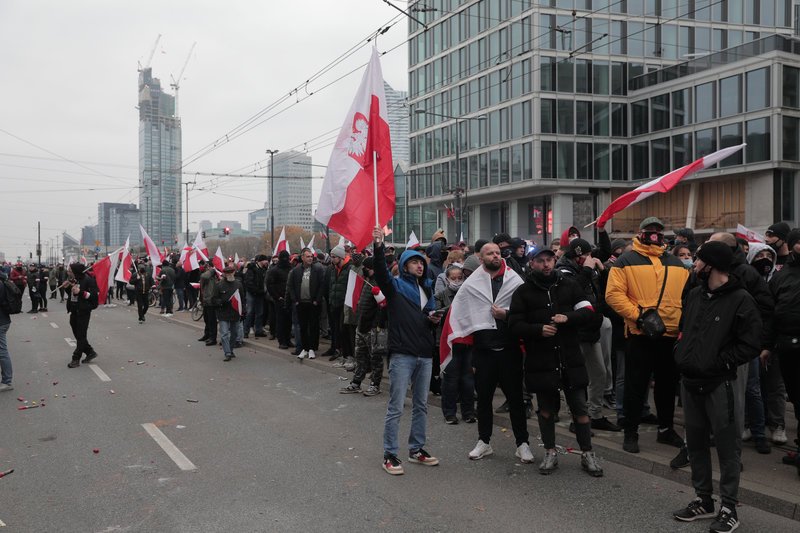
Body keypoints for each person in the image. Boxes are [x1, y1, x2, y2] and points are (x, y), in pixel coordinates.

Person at [672, 241, 761, 532]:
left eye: (698, 260)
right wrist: (681, 352)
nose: (694, 265)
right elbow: (686, 329)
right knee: (695, 444)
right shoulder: (696, 293)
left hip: (720, 384)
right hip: (690, 380)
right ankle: (703, 500)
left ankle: (729, 507)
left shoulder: (741, 299)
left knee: (727, 447)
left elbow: (750, 343)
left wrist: (722, 362)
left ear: (711, 265)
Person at [508, 246, 604, 476]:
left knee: (580, 408)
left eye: (550, 259)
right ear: (532, 264)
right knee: (546, 411)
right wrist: (538, 329)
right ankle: (550, 451)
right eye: (540, 261)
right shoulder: (523, 291)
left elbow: (590, 311)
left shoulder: (570, 285)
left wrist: (568, 318)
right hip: (542, 359)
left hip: (570, 357)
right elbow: (514, 325)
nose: (546, 264)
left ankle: (587, 453)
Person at [605, 217, 690, 454]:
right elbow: (613, 295)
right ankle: (630, 431)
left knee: (666, 385)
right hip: (640, 333)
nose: (654, 233)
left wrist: (682, 325)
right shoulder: (625, 261)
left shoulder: (676, 263)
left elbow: (686, 296)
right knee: (636, 385)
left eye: (658, 230)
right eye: (650, 230)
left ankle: (666, 429)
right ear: (641, 232)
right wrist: (639, 317)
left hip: (670, 334)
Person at [446, 243, 532, 464]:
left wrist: (507, 314)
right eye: (489, 253)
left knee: (515, 399)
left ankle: (522, 443)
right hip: (483, 351)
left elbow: (528, 311)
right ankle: (484, 441)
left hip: (510, 349)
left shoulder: (515, 280)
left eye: (497, 252)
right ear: (481, 258)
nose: (495, 255)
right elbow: (461, 311)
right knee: (483, 399)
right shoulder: (472, 284)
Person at [373, 226, 440, 475]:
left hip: (424, 353)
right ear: (403, 266)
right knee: (396, 406)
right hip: (402, 353)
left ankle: (416, 450)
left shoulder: (427, 290)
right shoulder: (395, 286)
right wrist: (378, 246)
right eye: (413, 262)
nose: (419, 266)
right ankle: (390, 454)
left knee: (422, 405)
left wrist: (433, 318)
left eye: (421, 262)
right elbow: (380, 272)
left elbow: (427, 315)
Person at [557, 238, 619, 432]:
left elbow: (601, 291)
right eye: (586, 256)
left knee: (599, 373)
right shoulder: (563, 270)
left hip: (591, 329)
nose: (590, 258)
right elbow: (571, 292)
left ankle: (595, 414)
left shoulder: (588, 269)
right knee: (577, 377)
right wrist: (587, 270)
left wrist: (602, 271)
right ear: (577, 256)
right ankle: (577, 417)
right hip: (575, 332)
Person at [767, 229, 800, 474]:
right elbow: (770, 313)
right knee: (797, 400)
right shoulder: (781, 276)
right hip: (788, 348)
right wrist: (767, 345)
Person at [340, 257, 387, 396]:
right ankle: (356, 382)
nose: (365, 270)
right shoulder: (367, 282)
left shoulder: (381, 283)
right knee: (360, 356)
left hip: (374, 328)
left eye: (367, 268)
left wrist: (378, 325)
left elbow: (383, 307)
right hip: (362, 325)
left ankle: (375, 384)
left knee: (376, 358)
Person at [435, 264, 475, 423]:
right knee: (450, 380)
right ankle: (449, 413)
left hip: (467, 341)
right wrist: (454, 307)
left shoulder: (469, 295)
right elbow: (437, 317)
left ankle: (468, 412)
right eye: (454, 278)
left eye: (460, 278)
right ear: (447, 279)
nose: (457, 281)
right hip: (449, 342)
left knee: (468, 379)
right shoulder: (440, 295)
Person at [286, 248, 325, 360]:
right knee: (302, 327)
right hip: (301, 303)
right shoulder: (296, 270)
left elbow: (321, 286)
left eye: (311, 256)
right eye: (307, 256)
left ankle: (312, 349)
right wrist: (295, 300)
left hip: (313, 303)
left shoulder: (317, 270)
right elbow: (291, 286)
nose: (310, 258)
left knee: (313, 326)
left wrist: (317, 300)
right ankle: (305, 348)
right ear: (302, 257)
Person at [65, 263, 99, 368]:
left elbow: (94, 297)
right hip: (74, 311)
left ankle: (75, 358)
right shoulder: (75, 280)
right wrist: (67, 288)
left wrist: (80, 292)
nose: (68, 272)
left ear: (76, 271)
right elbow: (72, 295)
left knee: (81, 336)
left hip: (83, 312)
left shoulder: (89, 280)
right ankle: (90, 351)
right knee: (78, 335)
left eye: (70, 271)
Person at [213, 263, 244, 362]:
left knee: (234, 334)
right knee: (224, 334)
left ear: (234, 272)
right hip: (223, 313)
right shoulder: (219, 285)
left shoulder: (239, 284)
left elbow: (242, 299)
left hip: (235, 313)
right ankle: (227, 353)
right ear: (224, 274)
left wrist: (244, 312)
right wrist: (221, 302)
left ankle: (230, 350)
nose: (229, 274)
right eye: (227, 273)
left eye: (231, 272)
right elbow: (214, 299)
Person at [324, 245, 351, 360]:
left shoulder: (349, 269)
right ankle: (335, 349)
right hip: (334, 303)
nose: (332, 259)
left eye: (334, 257)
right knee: (334, 328)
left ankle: (344, 352)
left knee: (343, 330)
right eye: (331, 256)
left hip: (343, 304)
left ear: (340, 257)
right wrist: (330, 299)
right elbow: (331, 285)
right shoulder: (332, 269)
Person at [266, 251, 292, 350]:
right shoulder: (274, 270)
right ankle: (282, 341)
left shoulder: (291, 269)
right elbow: (270, 285)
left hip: (289, 298)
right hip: (279, 299)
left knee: (289, 321)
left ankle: (288, 339)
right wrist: (277, 297)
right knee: (281, 320)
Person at [243, 254, 269, 338]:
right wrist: (257, 290)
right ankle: (245, 331)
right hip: (252, 294)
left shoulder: (264, 269)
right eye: (265, 260)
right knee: (249, 313)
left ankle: (258, 331)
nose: (267, 262)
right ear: (261, 261)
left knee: (260, 313)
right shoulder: (251, 269)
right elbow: (248, 282)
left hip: (260, 294)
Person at [0, 271, 15, 391]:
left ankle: (7, 381)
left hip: (1, 322)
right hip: (4, 320)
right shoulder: (2, 281)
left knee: (2, 352)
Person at [198, 262, 218, 346]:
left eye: (206, 266)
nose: (204, 267)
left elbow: (204, 276)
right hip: (205, 300)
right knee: (206, 319)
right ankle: (207, 334)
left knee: (212, 320)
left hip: (211, 300)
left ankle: (213, 338)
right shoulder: (208, 274)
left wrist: (212, 271)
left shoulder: (212, 275)